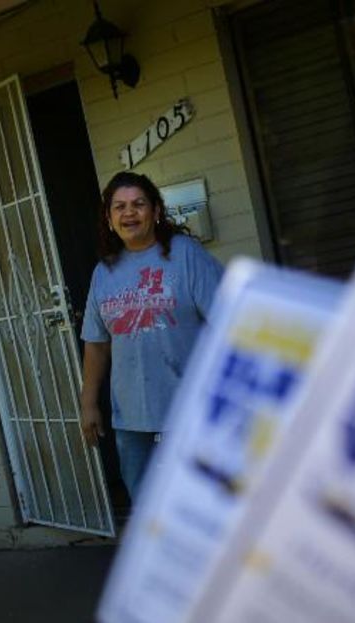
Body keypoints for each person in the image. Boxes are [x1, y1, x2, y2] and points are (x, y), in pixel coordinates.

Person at [79, 171, 223, 502]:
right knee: (145, 507)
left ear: (156, 211)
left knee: (197, 502)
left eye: (138, 204)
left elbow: (227, 323)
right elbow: (97, 345)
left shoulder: (186, 254)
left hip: (188, 407)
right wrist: (88, 402)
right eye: (119, 207)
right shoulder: (104, 272)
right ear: (109, 217)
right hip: (131, 414)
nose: (129, 213)